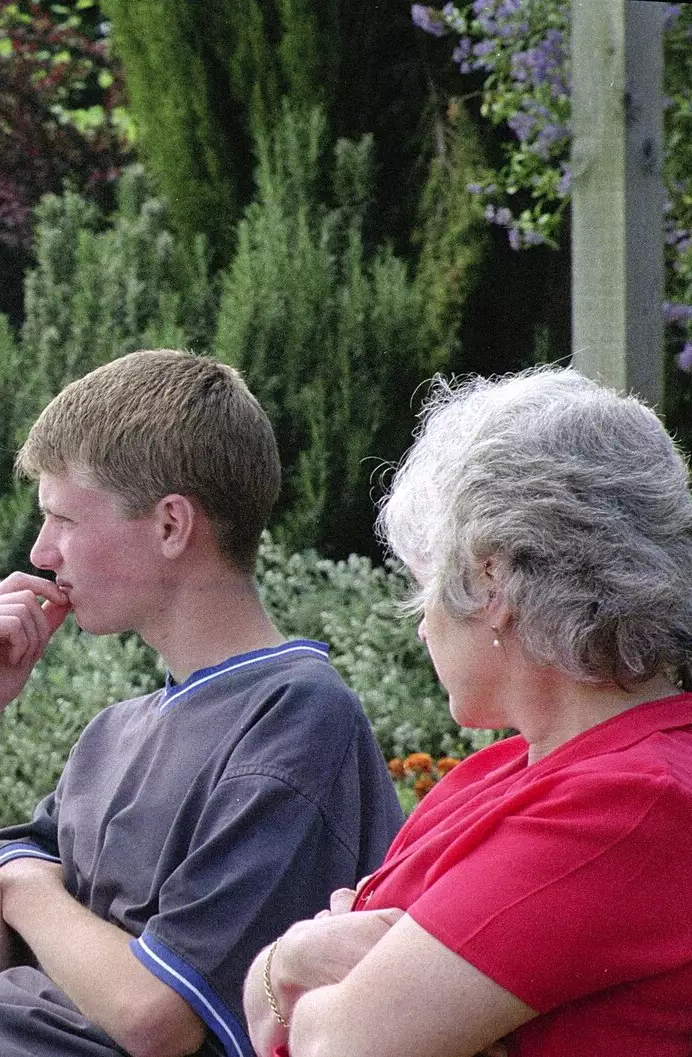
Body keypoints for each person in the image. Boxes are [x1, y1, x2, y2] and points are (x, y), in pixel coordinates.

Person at [0, 349, 402, 1057]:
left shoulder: (296, 719)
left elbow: (154, 1016)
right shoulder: (113, 733)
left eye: (64, 518)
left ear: (172, 525)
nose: (43, 552)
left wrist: (24, 883)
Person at [243, 368, 692, 1057]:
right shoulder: (495, 774)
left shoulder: (633, 803)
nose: (422, 625)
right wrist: (290, 962)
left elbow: (341, 1045)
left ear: (491, 579)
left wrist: (297, 989)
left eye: (424, 585)